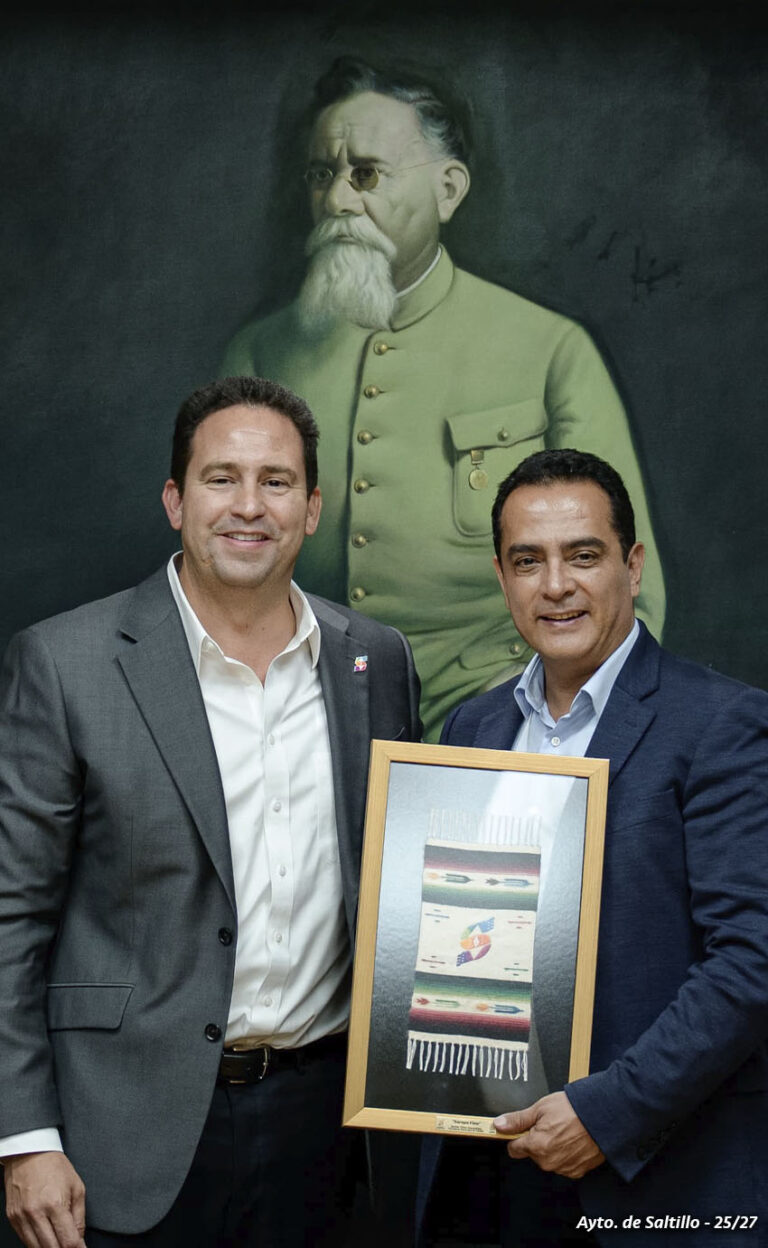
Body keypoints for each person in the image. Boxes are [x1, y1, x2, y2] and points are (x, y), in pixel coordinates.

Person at [0, 375, 421, 1248]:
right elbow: (12, 915)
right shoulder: (66, 663)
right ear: (175, 500)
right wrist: (24, 1137)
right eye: (221, 478)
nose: (248, 505)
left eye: (276, 482)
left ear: (312, 509)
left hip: (328, 1130)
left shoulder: (375, 662)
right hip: (121, 1132)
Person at [221, 56, 666, 741]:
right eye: (322, 175)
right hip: (305, 714)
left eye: (366, 174)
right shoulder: (260, 353)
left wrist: (552, 732)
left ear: (448, 189)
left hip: (507, 717)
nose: (337, 200)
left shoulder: (550, 348)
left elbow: (632, 593)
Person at [420, 448, 768, 1246]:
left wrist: (607, 1114)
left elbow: (752, 960)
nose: (556, 585)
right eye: (527, 561)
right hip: (487, 1168)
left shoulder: (721, 724)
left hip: (656, 1173)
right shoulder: (473, 729)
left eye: (583, 556)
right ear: (502, 578)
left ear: (632, 566)